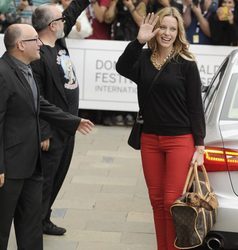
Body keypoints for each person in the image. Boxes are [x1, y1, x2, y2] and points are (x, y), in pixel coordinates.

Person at [116, 7, 205, 250]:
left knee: (171, 202)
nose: (167, 33)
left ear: (179, 32)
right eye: (163, 27)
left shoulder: (186, 62)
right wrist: (138, 41)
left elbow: (196, 106)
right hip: (150, 140)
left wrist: (200, 145)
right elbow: (121, 67)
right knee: (156, 201)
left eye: (172, 29)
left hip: (180, 140)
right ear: (155, 29)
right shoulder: (143, 59)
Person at [0, 23, 94, 250]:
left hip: (32, 165)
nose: (40, 44)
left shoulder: (26, 67)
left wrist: (73, 121)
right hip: (9, 168)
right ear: (21, 45)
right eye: (35, 40)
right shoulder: (2, 73)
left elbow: (38, 103)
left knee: (31, 227)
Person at [31, 0, 90, 236]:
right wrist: (43, 131)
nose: (65, 21)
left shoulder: (59, 42)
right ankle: (35, 222)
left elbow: (72, 12)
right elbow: (37, 96)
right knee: (45, 180)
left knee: (58, 176)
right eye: (60, 19)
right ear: (52, 25)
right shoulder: (37, 54)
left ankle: (44, 217)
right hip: (52, 130)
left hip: (68, 126)